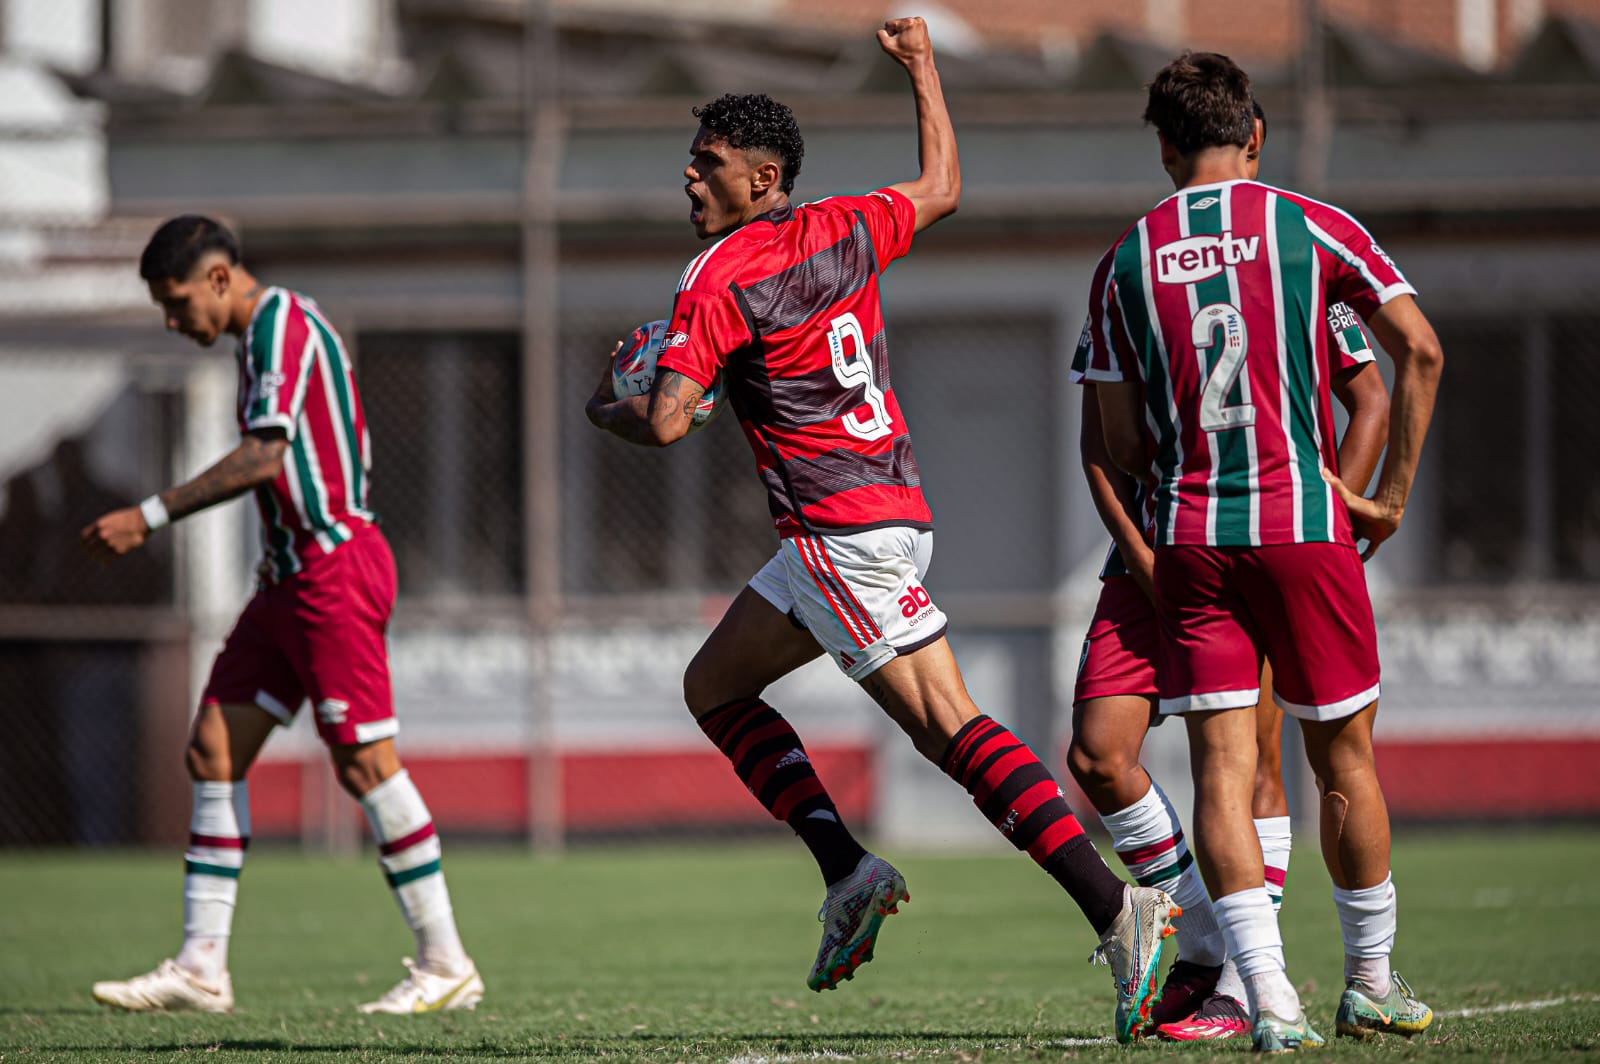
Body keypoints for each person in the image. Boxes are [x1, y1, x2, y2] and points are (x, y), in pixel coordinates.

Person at [585, 17, 1178, 1044]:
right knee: (713, 685)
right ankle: (847, 866)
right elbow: (942, 183)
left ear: (764, 177)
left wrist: (611, 399)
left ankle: (1118, 904)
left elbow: (669, 420)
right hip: (878, 514)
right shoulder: (847, 223)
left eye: (708, 164)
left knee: (948, 725)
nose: (689, 178)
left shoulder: (717, 275)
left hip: (838, 532)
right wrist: (922, 67)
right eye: (688, 162)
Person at [1084, 52, 1443, 1051]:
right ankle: (1367, 976)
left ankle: (1269, 1000)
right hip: (1302, 525)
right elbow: (1417, 351)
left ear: (1162, 148)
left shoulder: (1123, 259)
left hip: (1191, 538)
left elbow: (1116, 444)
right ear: (1255, 136)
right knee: (1342, 755)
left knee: (1220, 768)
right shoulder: (1314, 224)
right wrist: (1390, 495)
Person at [82, 216, 482, 1015]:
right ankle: (201, 965)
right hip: (286, 582)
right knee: (214, 749)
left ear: (221, 278)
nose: (172, 319)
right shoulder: (256, 339)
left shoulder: (284, 325)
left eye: (177, 300)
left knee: (367, 766)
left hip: (334, 571)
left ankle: (446, 963)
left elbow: (267, 454)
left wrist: (149, 516)